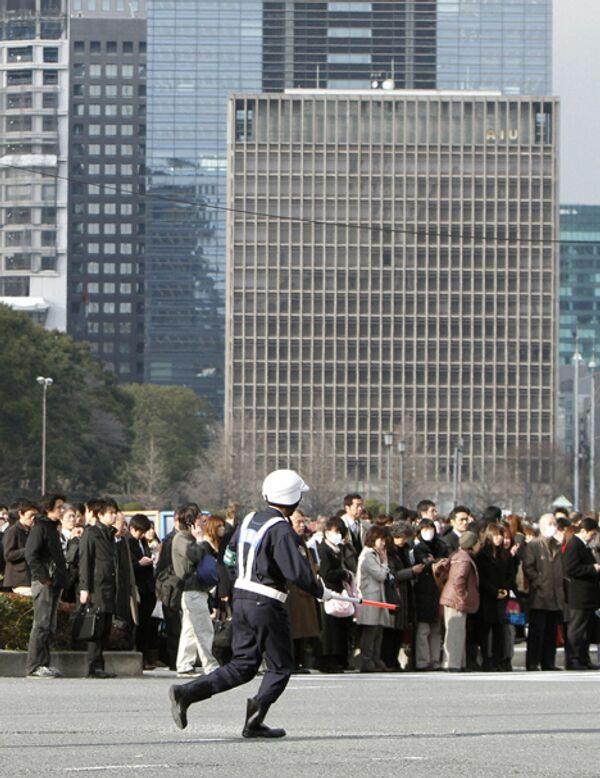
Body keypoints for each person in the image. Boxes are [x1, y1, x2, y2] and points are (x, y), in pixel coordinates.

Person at [169, 469, 332, 739]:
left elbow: (229, 556)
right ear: (292, 499)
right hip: (267, 602)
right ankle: (254, 722)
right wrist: (319, 590)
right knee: (280, 667)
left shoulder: (249, 520)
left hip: (242, 598)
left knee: (243, 665)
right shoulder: (281, 530)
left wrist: (240, 582)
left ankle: (187, 693)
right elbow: (297, 572)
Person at [172, 506, 220, 678]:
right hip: (192, 590)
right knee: (204, 629)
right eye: (199, 517)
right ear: (190, 521)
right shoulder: (181, 538)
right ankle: (210, 665)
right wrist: (200, 540)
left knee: (190, 630)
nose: (203, 520)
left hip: (197, 590)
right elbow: (194, 555)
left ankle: (184, 664)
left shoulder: (191, 538)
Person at [24, 495, 68, 678]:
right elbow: (30, 554)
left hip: (55, 582)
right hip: (44, 583)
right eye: (59, 507)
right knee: (41, 625)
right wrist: (43, 577)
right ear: (48, 508)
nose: (62, 510)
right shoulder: (40, 527)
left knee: (49, 625)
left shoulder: (53, 528)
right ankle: (34, 666)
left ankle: (44, 663)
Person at [78, 497, 120, 678]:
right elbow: (85, 561)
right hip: (96, 586)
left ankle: (100, 665)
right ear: (100, 514)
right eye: (110, 513)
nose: (113, 516)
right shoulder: (91, 533)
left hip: (110, 586)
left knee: (105, 627)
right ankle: (93, 666)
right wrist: (84, 588)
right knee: (95, 626)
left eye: (114, 512)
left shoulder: (110, 534)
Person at [523, 513, 565, 671]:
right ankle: (533, 662)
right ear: (541, 526)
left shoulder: (558, 545)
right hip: (539, 597)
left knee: (551, 632)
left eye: (554, 523)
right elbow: (528, 567)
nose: (553, 526)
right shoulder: (534, 545)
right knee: (536, 632)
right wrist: (539, 582)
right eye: (549, 523)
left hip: (555, 596)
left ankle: (549, 662)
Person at [316, 517, 355, 673]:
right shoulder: (324, 550)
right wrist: (343, 574)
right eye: (335, 531)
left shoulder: (337, 550)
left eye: (340, 532)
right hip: (328, 593)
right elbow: (326, 572)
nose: (337, 535)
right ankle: (327, 661)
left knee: (339, 629)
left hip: (338, 592)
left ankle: (339, 659)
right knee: (328, 630)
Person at [475, 524, 514, 671]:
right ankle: (487, 660)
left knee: (500, 629)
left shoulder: (505, 554)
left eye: (501, 535)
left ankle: (498, 660)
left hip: (502, 595)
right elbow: (482, 577)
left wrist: (504, 588)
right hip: (487, 596)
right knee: (486, 630)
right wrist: (493, 591)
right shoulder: (483, 554)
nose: (499, 538)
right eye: (496, 535)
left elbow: (511, 574)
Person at [440, 531, 480, 672]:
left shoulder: (458, 555)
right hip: (455, 600)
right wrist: (463, 596)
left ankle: (458, 663)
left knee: (457, 632)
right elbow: (459, 579)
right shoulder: (464, 559)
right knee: (455, 632)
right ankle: (453, 664)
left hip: (451, 598)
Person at [563, 516, 600, 670]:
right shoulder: (574, 544)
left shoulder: (583, 545)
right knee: (577, 629)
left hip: (588, 596)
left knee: (586, 629)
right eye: (591, 534)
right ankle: (573, 658)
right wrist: (593, 568)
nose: (592, 538)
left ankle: (583, 658)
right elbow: (571, 568)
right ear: (583, 531)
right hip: (579, 595)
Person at [412, 518, 447, 670]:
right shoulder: (418, 548)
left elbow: (445, 563)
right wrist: (435, 563)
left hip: (438, 591)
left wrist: (436, 562)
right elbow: (426, 564)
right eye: (425, 529)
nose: (429, 532)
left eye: (431, 529)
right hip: (423, 592)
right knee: (423, 630)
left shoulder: (441, 545)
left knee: (436, 630)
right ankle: (423, 661)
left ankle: (435, 661)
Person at [356, 525, 392, 672]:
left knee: (378, 630)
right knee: (370, 631)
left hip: (377, 597)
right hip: (369, 597)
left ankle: (376, 659)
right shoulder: (367, 555)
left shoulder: (375, 554)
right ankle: (367, 661)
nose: (383, 542)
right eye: (380, 539)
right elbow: (381, 575)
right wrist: (385, 563)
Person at [127, 513, 157, 669]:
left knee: (146, 624)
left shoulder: (142, 541)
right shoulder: (128, 542)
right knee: (138, 625)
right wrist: (139, 563)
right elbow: (130, 565)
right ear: (132, 528)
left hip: (148, 587)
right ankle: (139, 656)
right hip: (137, 586)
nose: (141, 535)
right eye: (139, 531)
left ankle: (146, 657)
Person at [3, 499, 37, 594]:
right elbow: (8, 555)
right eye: (31, 515)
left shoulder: (32, 531)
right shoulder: (13, 531)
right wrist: (28, 550)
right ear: (21, 514)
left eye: (35, 515)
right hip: (18, 579)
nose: (33, 518)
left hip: (31, 578)